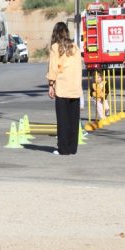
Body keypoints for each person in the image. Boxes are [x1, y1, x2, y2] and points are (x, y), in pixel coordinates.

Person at [46, 22, 83, 156]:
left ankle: (63, 149)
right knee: (74, 120)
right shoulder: (76, 47)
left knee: (63, 120)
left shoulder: (55, 48)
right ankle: (73, 148)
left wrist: (51, 84)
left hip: (62, 87)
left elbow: (53, 68)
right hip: (75, 88)